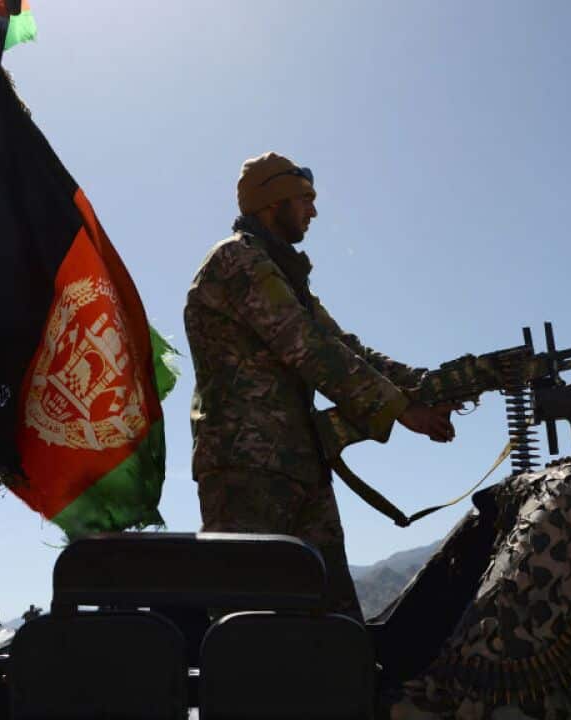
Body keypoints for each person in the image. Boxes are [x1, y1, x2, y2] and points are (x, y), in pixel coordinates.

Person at [185, 152, 456, 620]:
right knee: (248, 626)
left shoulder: (283, 274)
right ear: (273, 203)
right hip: (246, 468)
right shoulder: (237, 260)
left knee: (332, 624)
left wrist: (427, 384)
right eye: (304, 200)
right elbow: (309, 348)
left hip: (299, 465)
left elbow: (345, 346)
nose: (313, 211)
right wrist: (401, 410)